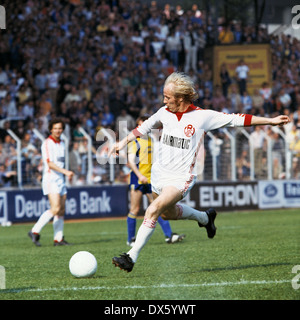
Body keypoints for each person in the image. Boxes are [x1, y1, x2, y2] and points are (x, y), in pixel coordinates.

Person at [108, 72, 290, 273]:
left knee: (152, 210)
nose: (164, 100)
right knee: (167, 215)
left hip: (180, 179)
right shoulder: (163, 113)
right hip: (159, 175)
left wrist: (270, 121)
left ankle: (130, 257)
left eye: (167, 97)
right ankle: (205, 218)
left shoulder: (203, 117)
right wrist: (122, 142)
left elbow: (237, 119)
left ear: (180, 98)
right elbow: (143, 128)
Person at [127, 115, 185, 247]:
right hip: (138, 179)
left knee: (157, 207)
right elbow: (130, 162)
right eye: (141, 125)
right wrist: (140, 175)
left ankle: (169, 235)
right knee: (135, 209)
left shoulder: (151, 141)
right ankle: (130, 239)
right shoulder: (135, 142)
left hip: (150, 179)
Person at [28, 118, 74, 246]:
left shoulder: (62, 143)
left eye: (60, 128)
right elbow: (50, 164)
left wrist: (65, 174)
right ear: (51, 129)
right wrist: (66, 172)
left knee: (61, 210)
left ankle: (58, 239)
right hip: (51, 178)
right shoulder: (47, 143)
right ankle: (34, 230)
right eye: (55, 128)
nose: (58, 130)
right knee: (55, 208)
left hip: (60, 178)